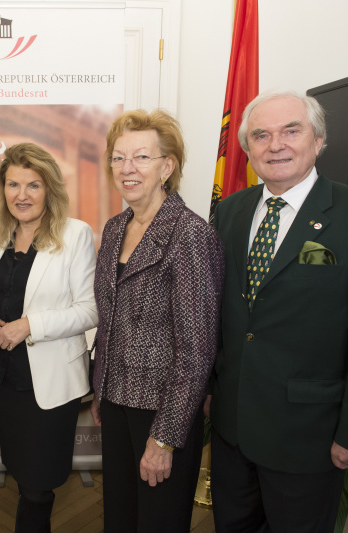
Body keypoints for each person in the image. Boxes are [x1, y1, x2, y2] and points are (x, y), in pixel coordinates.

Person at [206, 90, 348, 532]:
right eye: (261, 135)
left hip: (309, 437)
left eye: (291, 131)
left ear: (318, 140)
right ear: (247, 149)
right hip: (232, 429)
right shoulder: (230, 211)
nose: (275, 145)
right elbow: (220, 316)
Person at [90, 109, 224, 532]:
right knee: (120, 518)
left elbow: (196, 350)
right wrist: (100, 390)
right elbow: (109, 321)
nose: (127, 168)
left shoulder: (190, 234)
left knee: (157, 521)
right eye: (118, 157)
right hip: (115, 402)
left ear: (167, 167)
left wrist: (164, 436)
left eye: (141, 157)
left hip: (163, 411)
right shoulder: (116, 228)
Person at [0, 143, 99, 532]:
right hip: (3, 377)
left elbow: (90, 310)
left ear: (50, 189)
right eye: (13, 184)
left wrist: (30, 324)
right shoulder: (0, 235)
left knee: (38, 485)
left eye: (33, 185)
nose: (22, 195)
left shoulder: (74, 234)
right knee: (20, 473)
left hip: (49, 382)